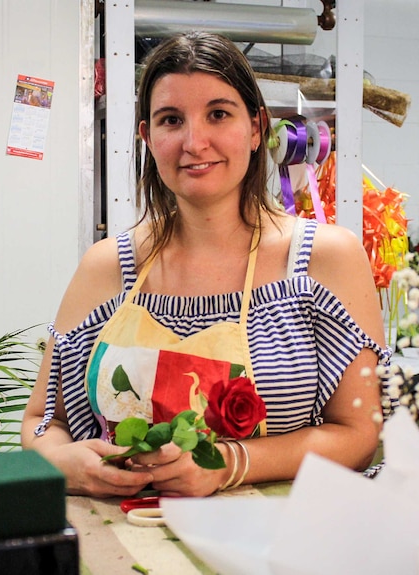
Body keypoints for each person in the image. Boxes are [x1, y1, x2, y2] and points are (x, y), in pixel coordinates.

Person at [21, 31, 390, 498]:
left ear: (256, 128)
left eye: (218, 114)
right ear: (147, 138)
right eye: (171, 120)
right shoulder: (107, 268)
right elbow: (40, 421)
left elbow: (359, 434)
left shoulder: (324, 260)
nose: (194, 142)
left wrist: (230, 464)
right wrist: (58, 458)